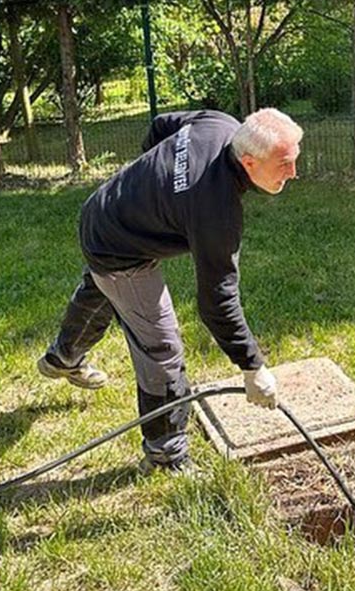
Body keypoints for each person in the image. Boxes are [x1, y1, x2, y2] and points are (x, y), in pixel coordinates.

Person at [38, 108, 301, 473]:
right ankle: (166, 455)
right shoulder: (216, 211)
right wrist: (251, 365)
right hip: (117, 243)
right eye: (285, 164)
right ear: (249, 162)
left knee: (105, 290)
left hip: (106, 209)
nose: (294, 173)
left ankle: (61, 358)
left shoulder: (220, 124)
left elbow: (161, 125)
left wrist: (154, 185)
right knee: (161, 349)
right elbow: (216, 302)